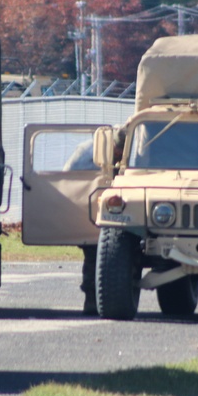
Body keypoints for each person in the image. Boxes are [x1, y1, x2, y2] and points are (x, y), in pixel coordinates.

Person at [65, 127, 125, 315]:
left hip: (118, 214)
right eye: (118, 150)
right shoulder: (87, 152)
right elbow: (70, 179)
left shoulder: (133, 152)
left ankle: (105, 301)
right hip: (89, 210)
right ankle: (91, 301)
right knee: (93, 254)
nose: (119, 154)